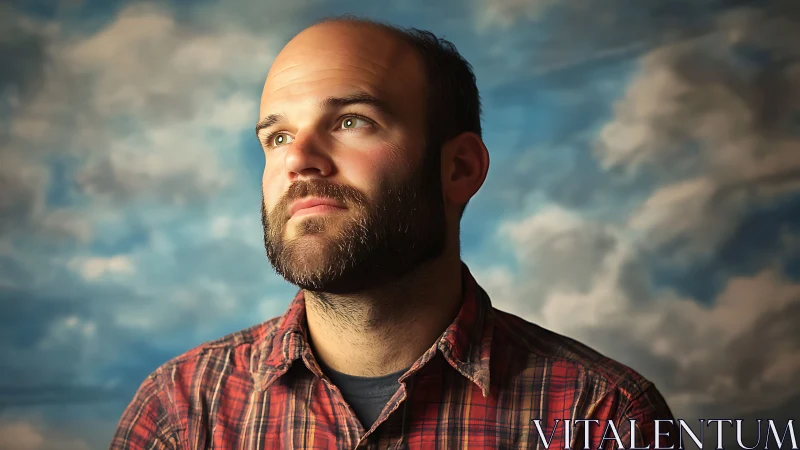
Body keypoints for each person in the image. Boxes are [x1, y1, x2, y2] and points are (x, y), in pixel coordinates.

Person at [110, 17, 676, 450]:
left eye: (351, 121)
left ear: (459, 169)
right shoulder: (182, 410)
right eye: (277, 137)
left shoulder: (602, 416)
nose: (299, 160)